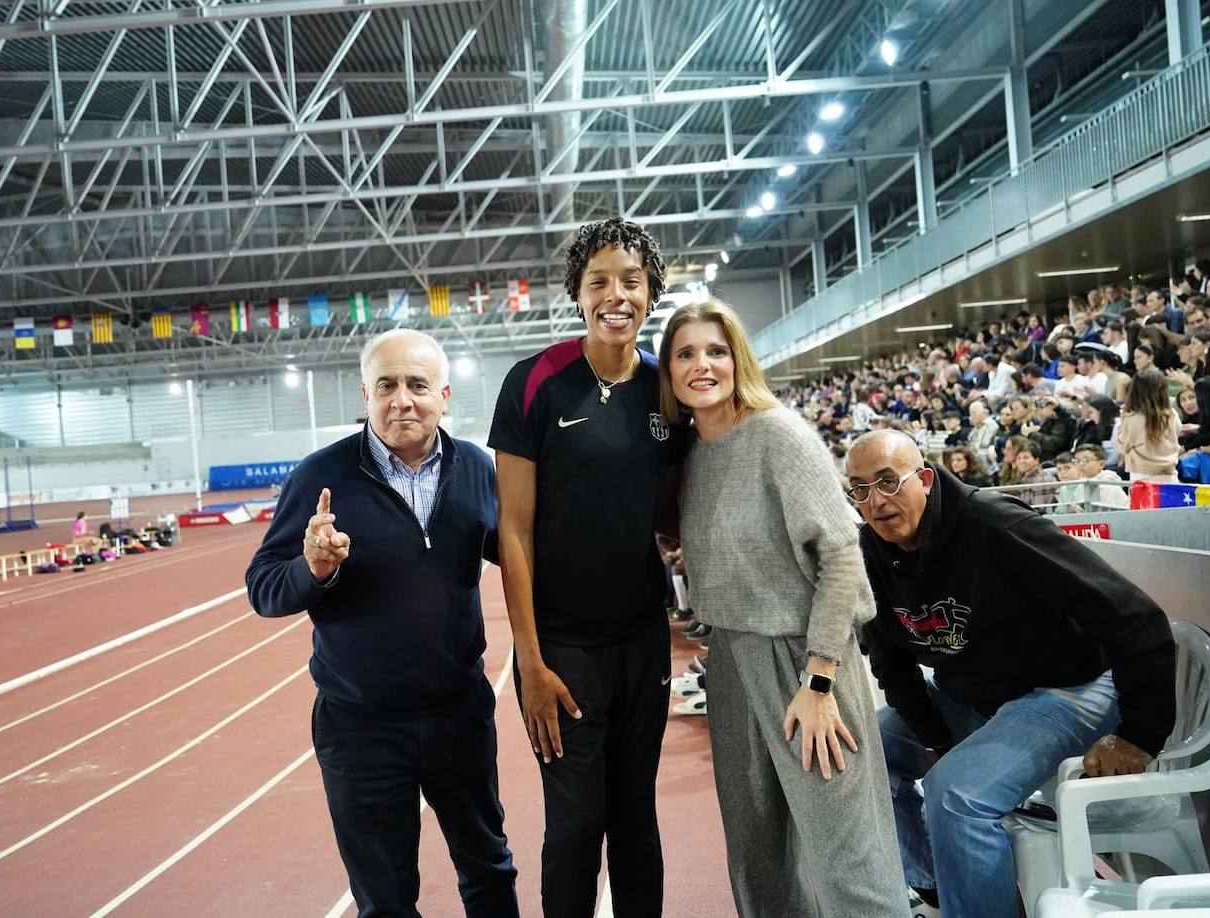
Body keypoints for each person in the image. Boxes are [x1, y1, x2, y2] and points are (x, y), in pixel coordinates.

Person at [845, 429, 1176, 918]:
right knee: (863, 751)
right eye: (860, 488)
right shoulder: (869, 554)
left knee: (956, 794)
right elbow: (891, 662)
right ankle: (939, 887)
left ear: (927, 480)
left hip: (1070, 686)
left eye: (889, 482)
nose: (876, 501)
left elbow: (1133, 614)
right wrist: (936, 739)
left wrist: (1142, 734)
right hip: (974, 695)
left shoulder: (995, 526)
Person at [246, 329, 517, 918]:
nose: (403, 400)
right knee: (385, 901)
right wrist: (311, 568)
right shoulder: (322, 477)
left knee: (490, 871)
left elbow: (524, 555)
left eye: (418, 385)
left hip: (459, 715)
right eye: (387, 386)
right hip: (359, 727)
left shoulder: (475, 468)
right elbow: (263, 587)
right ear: (364, 395)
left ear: (443, 395)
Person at [660, 301, 909, 918]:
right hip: (731, 665)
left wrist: (819, 679)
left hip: (805, 660)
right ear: (667, 371)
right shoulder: (689, 455)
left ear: (737, 357)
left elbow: (844, 559)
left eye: (715, 350)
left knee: (849, 860)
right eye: (685, 353)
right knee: (757, 859)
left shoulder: (780, 435)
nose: (701, 365)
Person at [489, 217, 685, 918]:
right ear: (577, 293)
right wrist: (530, 662)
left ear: (651, 293)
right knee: (575, 826)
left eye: (631, 281)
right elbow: (511, 529)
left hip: (641, 641)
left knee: (636, 816)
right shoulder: (535, 383)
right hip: (562, 651)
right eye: (598, 280)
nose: (615, 294)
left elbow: (666, 513)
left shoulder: (666, 391)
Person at [1115, 368, 1181, 482]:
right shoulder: (1172, 415)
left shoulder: (1132, 418)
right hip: (1170, 476)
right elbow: (1178, 432)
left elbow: (1122, 446)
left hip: (1142, 478)